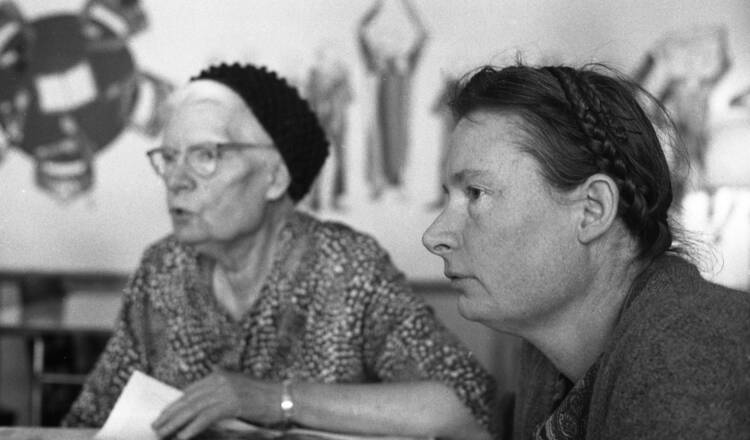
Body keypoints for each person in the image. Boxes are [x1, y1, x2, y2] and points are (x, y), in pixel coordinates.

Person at [62, 63, 497, 440]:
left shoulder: (344, 268)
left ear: (274, 177)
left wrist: (275, 399)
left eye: (205, 155)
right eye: (170, 157)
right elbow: (91, 418)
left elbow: (468, 406)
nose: (176, 179)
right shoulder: (164, 269)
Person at [422, 63, 750, 439]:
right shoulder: (549, 352)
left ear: (592, 209)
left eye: (476, 193)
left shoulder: (693, 363)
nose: (434, 236)